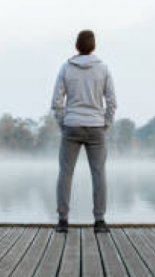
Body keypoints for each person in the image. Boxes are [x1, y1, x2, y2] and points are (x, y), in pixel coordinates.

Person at [50, 29, 117, 234]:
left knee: (65, 173)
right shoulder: (103, 68)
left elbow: (56, 102)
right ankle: (100, 221)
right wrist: (105, 124)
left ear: (76, 46)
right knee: (99, 174)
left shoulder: (66, 68)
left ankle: (63, 221)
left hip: (71, 126)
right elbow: (112, 102)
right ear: (94, 46)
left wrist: (63, 123)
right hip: (96, 127)